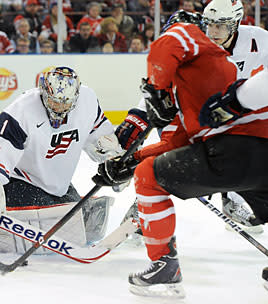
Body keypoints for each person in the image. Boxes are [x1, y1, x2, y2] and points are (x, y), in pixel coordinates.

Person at [94, 10, 268, 298]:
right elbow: (179, 141)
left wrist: (156, 89)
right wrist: (129, 161)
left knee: (148, 178)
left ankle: (164, 270)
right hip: (259, 154)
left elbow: (171, 41)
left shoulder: (192, 41)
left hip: (230, 153)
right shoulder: (214, 70)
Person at [0, 66, 123, 254]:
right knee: (60, 220)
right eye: (53, 102)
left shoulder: (88, 101)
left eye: (65, 103)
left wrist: (114, 160)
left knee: (83, 220)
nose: (59, 108)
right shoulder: (22, 111)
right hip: (20, 181)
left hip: (57, 186)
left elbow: (101, 138)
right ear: (43, 91)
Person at [203, 0, 268, 232]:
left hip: (235, 109)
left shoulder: (257, 39)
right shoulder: (197, 44)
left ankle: (231, 198)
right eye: (209, 24)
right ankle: (141, 214)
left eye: (221, 25)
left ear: (237, 23)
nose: (213, 32)